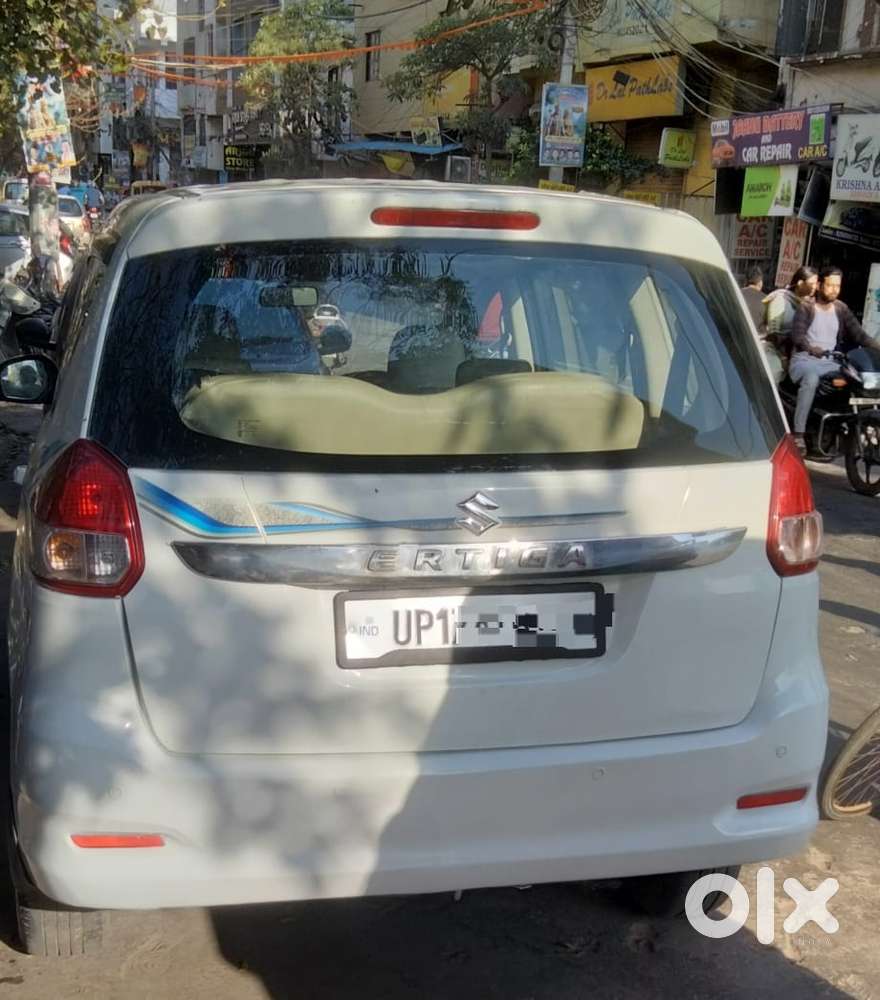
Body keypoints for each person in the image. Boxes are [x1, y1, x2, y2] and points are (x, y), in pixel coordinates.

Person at [789, 266, 875, 453]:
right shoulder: (806, 306)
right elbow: (798, 336)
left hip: (830, 362)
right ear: (820, 285)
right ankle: (798, 434)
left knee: (854, 378)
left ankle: (847, 425)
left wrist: (876, 346)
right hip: (804, 360)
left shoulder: (841, 308)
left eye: (838, 286)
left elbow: (859, 335)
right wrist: (811, 348)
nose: (834, 290)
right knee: (811, 378)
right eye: (830, 285)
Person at [741, 266, 765, 330]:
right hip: (757, 335)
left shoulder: (737, 293)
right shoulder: (766, 299)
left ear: (746, 281)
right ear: (760, 282)